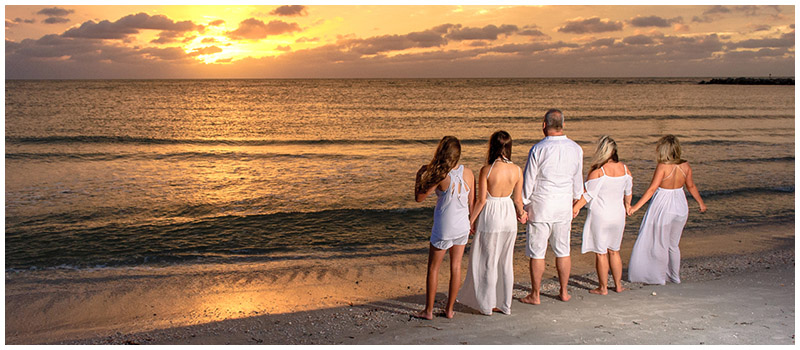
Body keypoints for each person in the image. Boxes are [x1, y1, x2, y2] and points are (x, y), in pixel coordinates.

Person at [458, 131, 527, 315]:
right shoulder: (517, 170)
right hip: (508, 215)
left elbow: (481, 201)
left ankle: (487, 305)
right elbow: (518, 200)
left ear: (493, 146)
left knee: (488, 260)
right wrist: (522, 214)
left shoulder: (487, 170)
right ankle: (505, 305)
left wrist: (470, 221)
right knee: (505, 261)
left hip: (491, 215)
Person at [520, 109, 583, 304]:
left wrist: (522, 206)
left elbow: (528, 181)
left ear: (544, 125)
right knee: (563, 250)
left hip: (541, 205)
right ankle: (563, 292)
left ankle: (535, 294)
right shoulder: (575, 148)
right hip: (563, 205)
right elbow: (577, 182)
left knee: (537, 252)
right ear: (562, 125)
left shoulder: (538, 148)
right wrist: (575, 203)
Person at [627, 135, 707, 285]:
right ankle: (675, 277)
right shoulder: (686, 166)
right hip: (681, 205)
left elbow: (652, 189)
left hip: (664, 205)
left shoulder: (663, 166)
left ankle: (659, 277)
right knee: (673, 244)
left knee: (660, 243)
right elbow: (691, 186)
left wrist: (635, 207)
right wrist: (701, 203)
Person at [413, 136, 475, 319]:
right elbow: (472, 202)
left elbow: (419, 198)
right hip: (463, 225)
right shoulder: (469, 173)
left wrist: (419, 176)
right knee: (455, 267)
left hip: (444, 227)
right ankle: (449, 310)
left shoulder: (440, 175)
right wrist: (471, 224)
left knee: (433, 268)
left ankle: (428, 311)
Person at [572, 136, 632, 295]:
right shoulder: (625, 169)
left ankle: (603, 288)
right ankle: (618, 285)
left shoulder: (599, 172)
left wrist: (574, 209)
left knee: (601, 252)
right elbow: (628, 192)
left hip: (601, 216)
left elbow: (587, 195)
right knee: (614, 250)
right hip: (618, 215)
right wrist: (627, 205)